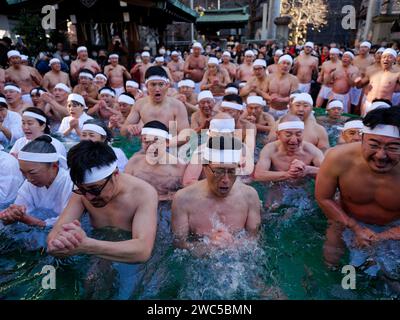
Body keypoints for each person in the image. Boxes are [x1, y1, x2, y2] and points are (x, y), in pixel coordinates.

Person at [316, 107, 400, 271]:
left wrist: (383, 237)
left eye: (393, 148)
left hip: (393, 228)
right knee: (331, 264)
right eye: (374, 145)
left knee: (391, 281)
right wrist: (355, 227)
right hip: (346, 219)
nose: (381, 155)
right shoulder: (338, 157)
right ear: (362, 139)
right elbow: (324, 198)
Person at [46, 140, 158, 263]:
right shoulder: (82, 192)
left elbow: (143, 251)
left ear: (115, 175)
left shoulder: (143, 193)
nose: (89, 197)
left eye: (95, 189)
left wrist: (87, 246)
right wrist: (62, 243)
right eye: (82, 190)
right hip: (99, 243)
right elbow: (53, 237)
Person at [172, 136, 261, 254]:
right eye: (218, 171)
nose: (226, 179)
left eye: (231, 171)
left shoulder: (250, 196)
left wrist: (233, 245)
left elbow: (254, 239)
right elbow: (180, 245)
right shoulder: (183, 199)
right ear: (205, 167)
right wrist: (208, 247)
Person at [0, 136, 72, 227]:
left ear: (54, 166)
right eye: (23, 173)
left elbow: (67, 222)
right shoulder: (29, 183)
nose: (28, 179)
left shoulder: (70, 184)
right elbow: (20, 208)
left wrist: (31, 221)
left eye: (33, 173)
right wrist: (13, 214)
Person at [125, 121, 187, 201]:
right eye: (146, 142)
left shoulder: (179, 167)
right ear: (141, 142)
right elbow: (124, 190)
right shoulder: (134, 162)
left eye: (156, 141)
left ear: (167, 142)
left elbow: (185, 195)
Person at [121, 66, 189, 137]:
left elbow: (185, 135)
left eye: (161, 84)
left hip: (170, 145)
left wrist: (168, 143)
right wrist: (129, 128)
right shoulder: (139, 104)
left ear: (167, 85)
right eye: (153, 85)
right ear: (147, 86)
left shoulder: (177, 106)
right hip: (146, 144)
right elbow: (123, 131)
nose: (157, 89)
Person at [254, 115, 324, 182]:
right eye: (288, 135)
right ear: (278, 135)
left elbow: (329, 172)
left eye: (298, 134)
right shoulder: (270, 149)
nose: (294, 140)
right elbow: (258, 175)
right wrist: (287, 174)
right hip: (277, 187)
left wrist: (308, 170)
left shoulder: (311, 150)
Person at [355, 49, 400, 116]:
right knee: (364, 123)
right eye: (384, 57)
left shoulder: (397, 74)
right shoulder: (372, 72)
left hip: (383, 106)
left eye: (390, 57)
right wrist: (357, 82)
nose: (386, 59)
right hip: (368, 104)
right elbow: (359, 86)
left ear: (394, 60)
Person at [264, 55, 299, 120]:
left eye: (288, 64)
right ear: (278, 64)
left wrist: (281, 100)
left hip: (285, 111)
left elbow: (294, 97)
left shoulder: (294, 79)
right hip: (271, 109)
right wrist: (269, 97)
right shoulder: (269, 77)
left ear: (291, 67)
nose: (285, 65)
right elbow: (263, 93)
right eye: (283, 63)